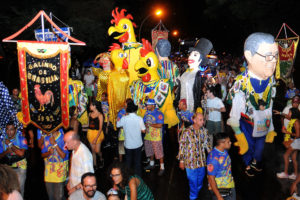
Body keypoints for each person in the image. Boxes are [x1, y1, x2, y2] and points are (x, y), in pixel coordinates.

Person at [227, 32, 278, 176]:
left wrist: (271, 126)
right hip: (247, 122)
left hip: (264, 121)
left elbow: (270, 103)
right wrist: (238, 132)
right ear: (249, 56)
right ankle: (248, 164)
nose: (273, 61)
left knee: (260, 147)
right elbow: (235, 112)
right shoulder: (241, 83)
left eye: (275, 56)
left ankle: (255, 162)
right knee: (247, 146)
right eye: (268, 56)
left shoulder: (271, 80)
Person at [178, 113, 212, 200]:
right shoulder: (186, 132)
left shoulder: (204, 131)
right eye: (200, 120)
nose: (203, 122)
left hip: (201, 160)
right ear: (194, 120)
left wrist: (212, 157)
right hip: (190, 161)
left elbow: (207, 145)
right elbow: (182, 146)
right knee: (192, 180)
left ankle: (197, 190)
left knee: (201, 178)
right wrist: (181, 161)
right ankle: (193, 196)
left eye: (203, 120)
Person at [176, 38, 213, 112]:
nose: (190, 57)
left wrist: (196, 109)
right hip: (182, 108)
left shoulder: (200, 75)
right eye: (190, 54)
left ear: (200, 60)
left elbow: (201, 95)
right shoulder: (185, 73)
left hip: (192, 110)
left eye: (195, 55)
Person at [38, 128, 69, 200]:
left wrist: (55, 144)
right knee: (51, 197)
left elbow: (63, 155)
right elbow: (42, 155)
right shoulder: (46, 138)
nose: (45, 131)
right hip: (49, 173)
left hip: (59, 173)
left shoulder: (63, 138)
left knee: (59, 197)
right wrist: (49, 153)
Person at [116, 101, 146, 176]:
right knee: (137, 163)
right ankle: (138, 179)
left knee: (128, 162)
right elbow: (143, 130)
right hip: (138, 144)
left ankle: (127, 178)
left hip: (128, 144)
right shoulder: (139, 118)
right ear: (135, 110)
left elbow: (117, 125)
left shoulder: (124, 118)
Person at [0, 121, 28, 196]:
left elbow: (21, 153)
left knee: (19, 190)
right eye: (7, 129)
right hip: (8, 169)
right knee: (9, 191)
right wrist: (6, 151)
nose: (9, 132)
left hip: (20, 168)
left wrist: (10, 144)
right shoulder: (3, 141)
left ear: (15, 130)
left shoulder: (21, 139)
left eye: (11, 129)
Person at [64, 130, 94, 195]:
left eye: (67, 142)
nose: (65, 145)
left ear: (74, 142)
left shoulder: (85, 155)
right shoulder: (74, 150)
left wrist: (74, 189)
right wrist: (70, 181)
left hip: (80, 192)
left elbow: (89, 178)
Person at [207, 132, 236, 200]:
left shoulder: (224, 151)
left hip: (229, 185)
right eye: (228, 142)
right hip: (220, 190)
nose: (230, 143)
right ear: (222, 143)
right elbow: (211, 179)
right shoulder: (213, 159)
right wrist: (219, 197)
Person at [143, 99, 165, 176]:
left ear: (153, 105)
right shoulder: (147, 113)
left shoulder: (159, 113)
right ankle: (151, 164)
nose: (147, 106)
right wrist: (145, 125)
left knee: (158, 152)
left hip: (156, 136)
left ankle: (162, 167)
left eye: (148, 105)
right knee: (150, 150)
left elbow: (160, 125)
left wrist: (150, 125)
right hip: (148, 135)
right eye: (146, 105)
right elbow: (145, 121)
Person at [276, 107, 300, 179]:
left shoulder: (296, 122)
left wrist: (287, 132)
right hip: (296, 141)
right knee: (293, 158)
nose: (288, 113)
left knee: (286, 156)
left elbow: (298, 135)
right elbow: (286, 116)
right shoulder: (293, 119)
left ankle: (285, 173)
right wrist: (280, 113)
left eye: (289, 112)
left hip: (296, 141)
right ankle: (295, 175)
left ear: (293, 113)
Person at [88, 100, 105, 169]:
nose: (90, 106)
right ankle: (95, 165)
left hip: (98, 133)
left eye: (91, 105)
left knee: (97, 151)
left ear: (95, 106)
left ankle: (101, 159)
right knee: (93, 151)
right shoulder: (89, 114)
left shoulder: (100, 115)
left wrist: (96, 138)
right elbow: (89, 124)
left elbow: (100, 128)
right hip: (90, 133)